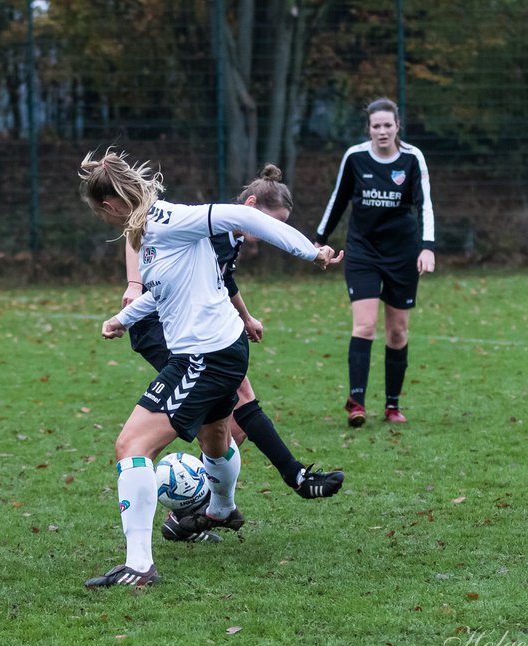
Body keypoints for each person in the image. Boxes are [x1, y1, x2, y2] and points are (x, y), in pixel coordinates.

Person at [79, 149, 342, 588]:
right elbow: (164, 289)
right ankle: (221, 509)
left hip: (204, 357)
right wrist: (122, 319)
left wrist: (308, 252)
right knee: (217, 439)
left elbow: (245, 216)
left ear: (109, 206)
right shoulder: (149, 231)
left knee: (131, 447)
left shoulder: (171, 219)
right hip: (221, 351)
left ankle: (140, 566)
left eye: (102, 216)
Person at [315, 97, 434, 427]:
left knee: (397, 332)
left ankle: (392, 406)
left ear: (398, 126)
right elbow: (338, 200)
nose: (382, 131)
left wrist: (427, 247)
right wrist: (319, 240)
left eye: (387, 125)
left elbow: (424, 205)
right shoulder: (355, 157)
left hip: (403, 254)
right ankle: (357, 403)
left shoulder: (412, 159)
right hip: (363, 252)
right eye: (376, 126)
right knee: (364, 326)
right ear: (369, 128)